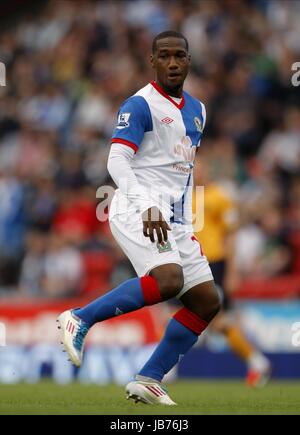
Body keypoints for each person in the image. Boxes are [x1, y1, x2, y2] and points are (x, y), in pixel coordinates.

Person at [57, 31, 221, 406]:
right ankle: (79, 318)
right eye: (164, 56)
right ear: (152, 61)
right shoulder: (140, 104)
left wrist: (185, 218)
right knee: (167, 280)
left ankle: (149, 378)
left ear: (189, 60)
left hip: (176, 220)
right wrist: (147, 205)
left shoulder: (199, 110)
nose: (173, 63)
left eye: (180, 55)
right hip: (138, 208)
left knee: (206, 301)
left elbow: (184, 168)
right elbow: (116, 159)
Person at [193, 153, 271, 388]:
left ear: (208, 170)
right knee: (174, 316)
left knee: (218, 321)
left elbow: (232, 233)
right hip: (189, 264)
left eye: (200, 167)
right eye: (193, 167)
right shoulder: (183, 195)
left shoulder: (220, 197)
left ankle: (257, 362)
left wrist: (232, 271)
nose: (196, 171)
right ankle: (162, 373)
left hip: (213, 264)